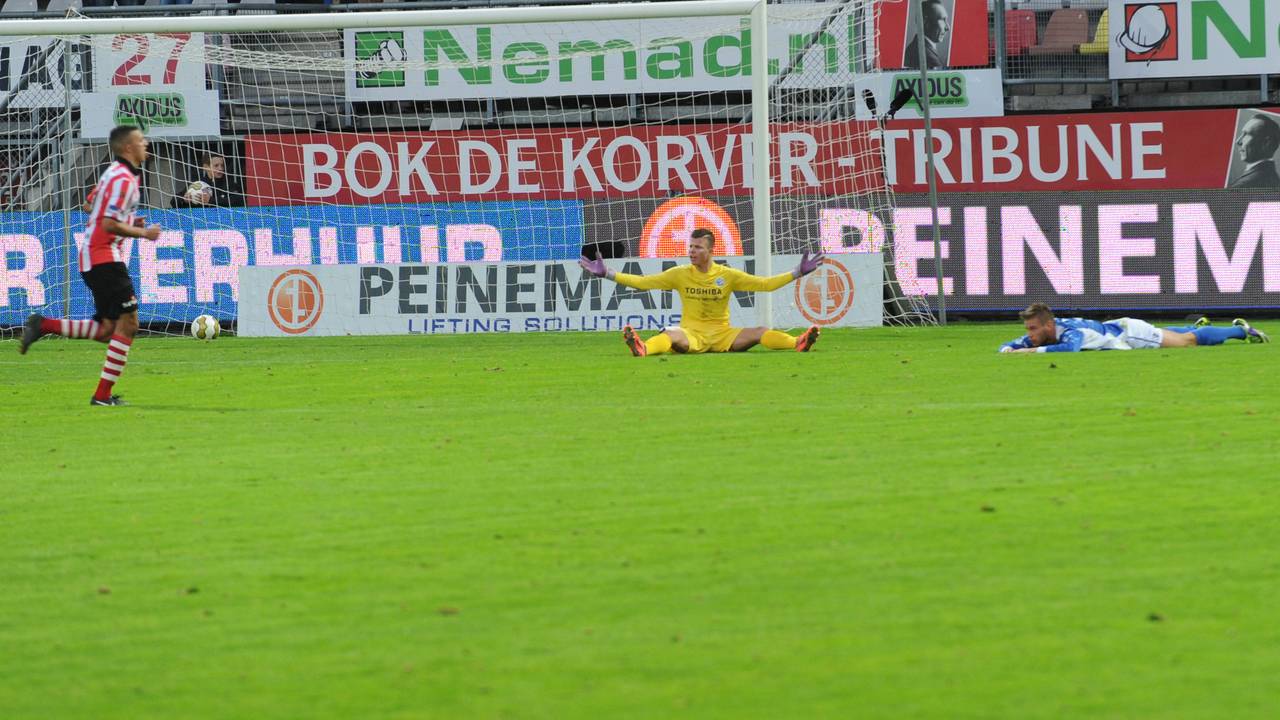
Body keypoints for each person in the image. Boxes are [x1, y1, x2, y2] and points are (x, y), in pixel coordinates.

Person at [19, 125, 162, 407]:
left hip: (96, 255)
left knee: (109, 329)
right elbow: (107, 223)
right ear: (127, 148)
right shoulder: (122, 179)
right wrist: (143, 233)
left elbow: (89, 206)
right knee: (129, 324)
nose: (146, 143)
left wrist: (130, 223)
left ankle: (45, 325)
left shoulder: (115, 173)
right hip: (103, 255)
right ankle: (101, 396)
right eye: (140, 140)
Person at [577, 228, 825, 356]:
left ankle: (798, 342)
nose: (692, 251)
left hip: (724, 335)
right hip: (692, 334)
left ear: (710, 250)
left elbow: (765, 284)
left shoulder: (727, 276)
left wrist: (797, 273)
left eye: (697, 247)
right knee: (671, 333)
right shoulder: (680, 273)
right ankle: (643, 349)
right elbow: (644, 282)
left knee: (760, 331)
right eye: (690, 246)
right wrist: (608, 273)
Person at [999, 303, 1268, 353]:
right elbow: (1007, 346)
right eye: (1028, 329)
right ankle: (1196, 325)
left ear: (1048, 324)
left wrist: (1026, 353)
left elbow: (1070, 349)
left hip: (1129, 334)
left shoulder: (1070, 333)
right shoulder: (1046, 330)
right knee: (1177, 334)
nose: (1030, 334)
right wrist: (1011, 348)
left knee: (1187, 342)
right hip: (1118, 330)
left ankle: (1242, 331)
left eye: (1033, 328)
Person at [172, 151, 245, 208]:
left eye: (222, 165)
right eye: (216, 166)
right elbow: (173, 201)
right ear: (206, 167)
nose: (220, 169)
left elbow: (240, 201)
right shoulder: (198, 184)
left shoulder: (230, 184)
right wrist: (184, 200)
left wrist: (211, 200)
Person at [1228, 114, 1280, 189]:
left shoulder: (1245, 185)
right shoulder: (1271, 176)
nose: (1238, 141)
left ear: (1266, 142)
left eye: (1247, 134)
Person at [904, 0, 949, 70]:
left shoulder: (914, 47)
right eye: (942, 20)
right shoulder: (929, 58)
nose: (947, 28)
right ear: (924, 21)